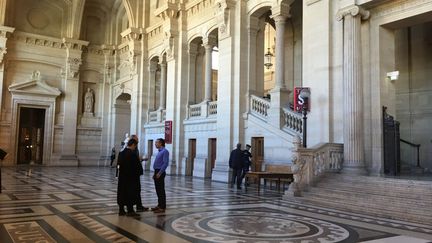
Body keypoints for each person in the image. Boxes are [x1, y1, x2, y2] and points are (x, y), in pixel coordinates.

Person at [116, 138, 141, 217]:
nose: (135, 147)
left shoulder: (121, 153)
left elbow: (118, 165)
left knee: (122, 192)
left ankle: (121, 210)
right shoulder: (132, 154)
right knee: (130, 193)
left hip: (122, 177)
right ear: (133, 145)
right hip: (131, 178)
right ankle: (130, 210)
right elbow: (137, 167)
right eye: (135, 146)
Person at [148, 138, 169, 213]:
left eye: (157, 142)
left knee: (161, 190)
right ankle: (159, 205)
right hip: (156, 171)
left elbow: (165, 163)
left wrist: (159, 173)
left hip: (160, 172)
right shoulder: (160, 151)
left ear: (161, 143)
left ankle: (162, 207)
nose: (155, 144)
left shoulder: (165, 151)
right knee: (158, 190)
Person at [129, 134, 148, 212]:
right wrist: (141, 159)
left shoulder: (135, 148)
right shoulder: (132, 149)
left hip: (136, 172)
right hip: (133, 173)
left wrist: (142, 159)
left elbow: (136, 159)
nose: (138, 140)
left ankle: (139, 206)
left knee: (138, 189)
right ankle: (134, 206)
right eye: (136, 139)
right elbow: (133, 160)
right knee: (135, 190)